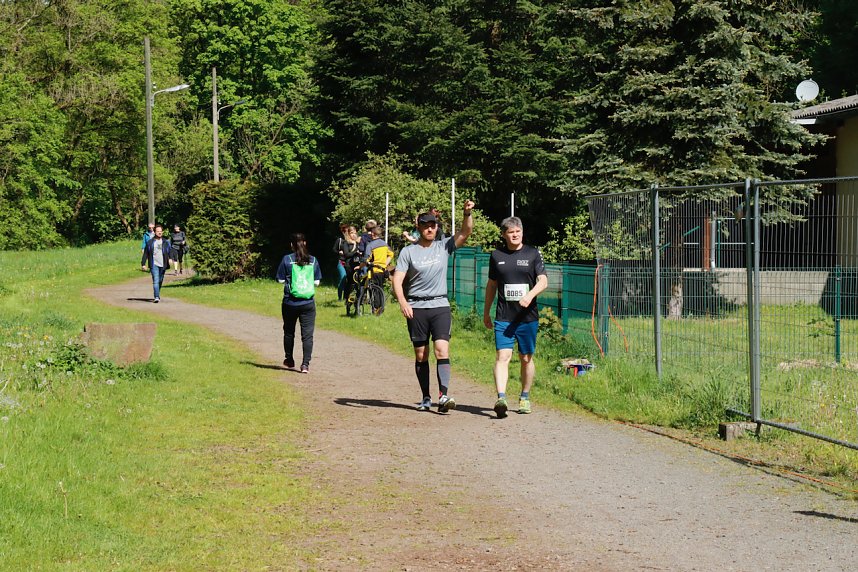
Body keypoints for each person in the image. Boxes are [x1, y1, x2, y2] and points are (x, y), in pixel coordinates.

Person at [392, 199, 476, 413]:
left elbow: (465, 233)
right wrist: (403, 302)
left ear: (437, 227)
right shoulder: (408, 252)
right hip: (416, 307)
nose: (430, 228)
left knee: (441, 350)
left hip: (440, 306)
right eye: (426, 225)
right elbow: (397, 279)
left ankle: (443, 395)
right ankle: (426, 397)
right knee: (421, 355)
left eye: (433, 225)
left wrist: (467, 213)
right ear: (418, 227)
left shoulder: (443, 246)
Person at [482, 217, 548, 418]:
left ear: (522, 232)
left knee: (526, 358)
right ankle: (501, 398)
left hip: (527, 318)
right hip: (504, 316)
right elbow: (492, 285)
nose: (515, 234)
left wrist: (529, 296)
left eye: (518, 231)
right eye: (511, 232)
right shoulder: (496, 255)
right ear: (504, 235)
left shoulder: (532, 253)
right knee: (503, 356)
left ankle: (525, 397)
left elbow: (544, 281)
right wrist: (486, 312)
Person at [276, 233, 322, 374]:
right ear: (305, 243)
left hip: (290, 302)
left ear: (292, 245)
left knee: (289, 332)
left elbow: (280, 280)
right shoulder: (313, 260)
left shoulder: (287, 259)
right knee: (307, 335)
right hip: (308, 303)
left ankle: (289, 359)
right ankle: (305, 365)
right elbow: (317, 282)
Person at [143, 224, 173, 303]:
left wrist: (170, 258)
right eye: (158, 231)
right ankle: (156, 297)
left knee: (160, 280)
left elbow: (170, 251)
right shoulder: (150, 242)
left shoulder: (166, 242)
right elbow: (146, 253)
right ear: (155, 232)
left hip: (163, 264)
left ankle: (157, 293)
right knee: (155, 280)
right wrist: (143, 264)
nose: (159, 233)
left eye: (161, 231)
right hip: (154, 264)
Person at [332, 224, 352, 300]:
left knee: (349, 280)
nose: (346, 232)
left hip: (349, 262)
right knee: (343, 277)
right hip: (341, 261)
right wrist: (338, 252)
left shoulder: (351, 240)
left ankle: (346, 297)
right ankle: (340, 297)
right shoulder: (339, 240)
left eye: (347, 230)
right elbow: (334, 249)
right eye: (344, 230)